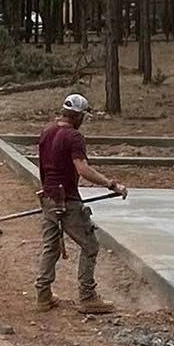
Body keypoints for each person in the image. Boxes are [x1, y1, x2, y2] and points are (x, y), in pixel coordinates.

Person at [34, 92, 125, 313]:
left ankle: (43, 296)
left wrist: (47, 190)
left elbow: (43, 166)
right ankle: (88, 297)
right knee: (90, 245)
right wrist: (111, 184)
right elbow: (82, 169)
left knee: (51, 247)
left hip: (49, 198)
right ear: (78, 116)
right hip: (66, 202)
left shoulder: (47, 131)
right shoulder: (73, 136)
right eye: (83, 116)